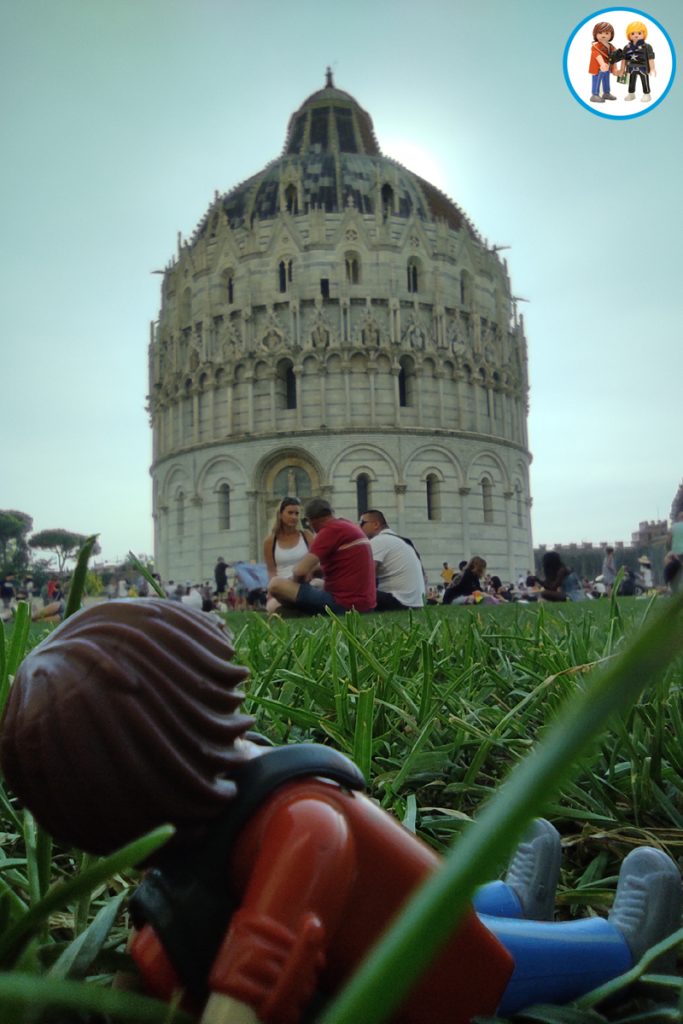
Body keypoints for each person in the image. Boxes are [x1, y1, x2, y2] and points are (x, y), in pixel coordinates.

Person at [1, 600, 680, 1024]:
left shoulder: (300, 822)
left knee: (495, 958)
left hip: (436, 969)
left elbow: (269, 954)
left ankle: (621, 943)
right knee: (440, 912)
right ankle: (506, 895)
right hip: (396, 921)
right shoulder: (217, 821)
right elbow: (175, 930)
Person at [268, 497, 375, 615]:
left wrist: (293, 584)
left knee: (275, 584)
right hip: (364, 604)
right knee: (316, 584)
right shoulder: (347, 526)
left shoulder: (329, 531)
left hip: (344, 604)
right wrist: (313, 572)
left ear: (311, 521)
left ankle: (299, 612)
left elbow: (300, 571)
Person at [359, 509, 425, 610]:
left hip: (398, 601)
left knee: (350, 592)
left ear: (376, 524)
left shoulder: (378, 541)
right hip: (415, 603)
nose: (359, 527)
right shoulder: (397, 541)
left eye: (362, 523)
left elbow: (365, 577)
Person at [263, 497, 315, 613]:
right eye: (290, 513)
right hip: (281, 585)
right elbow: (271, 571)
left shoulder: (306, 536)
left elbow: (315, 563)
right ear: (280, 515)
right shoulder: (270, 541)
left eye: (297, 513)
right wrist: (271, 593)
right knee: (272, 608)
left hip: (304, 584)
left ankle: (296, 608)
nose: (294, 517)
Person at [616, 20, 656, 103]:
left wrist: (652, 68)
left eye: (639, 33)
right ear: (629, 35)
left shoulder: (647, 47)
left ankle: (647, 94)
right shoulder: (627, 47)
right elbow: (624, 59)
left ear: (644, 34)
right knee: (631, 81)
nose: (636, 35)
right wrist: (622, 69)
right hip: (631, 67)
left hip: (643, 67)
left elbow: (650, 58)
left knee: (644, 80)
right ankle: (631, 93)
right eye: (633, 33)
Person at [588, 21, 616, 103]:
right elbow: (597, 55)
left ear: (611, 35)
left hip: (607, 67)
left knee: (606, 79)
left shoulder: (611, 46)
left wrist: (615, 68)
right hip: (598, 68)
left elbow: (615, 56)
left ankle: (606, 93)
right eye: (600, 33)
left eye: (606, 33)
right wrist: (602, 63)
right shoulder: (595, 46)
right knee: (597, 79)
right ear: (595, 34)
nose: (603, 35)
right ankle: (595, 94)